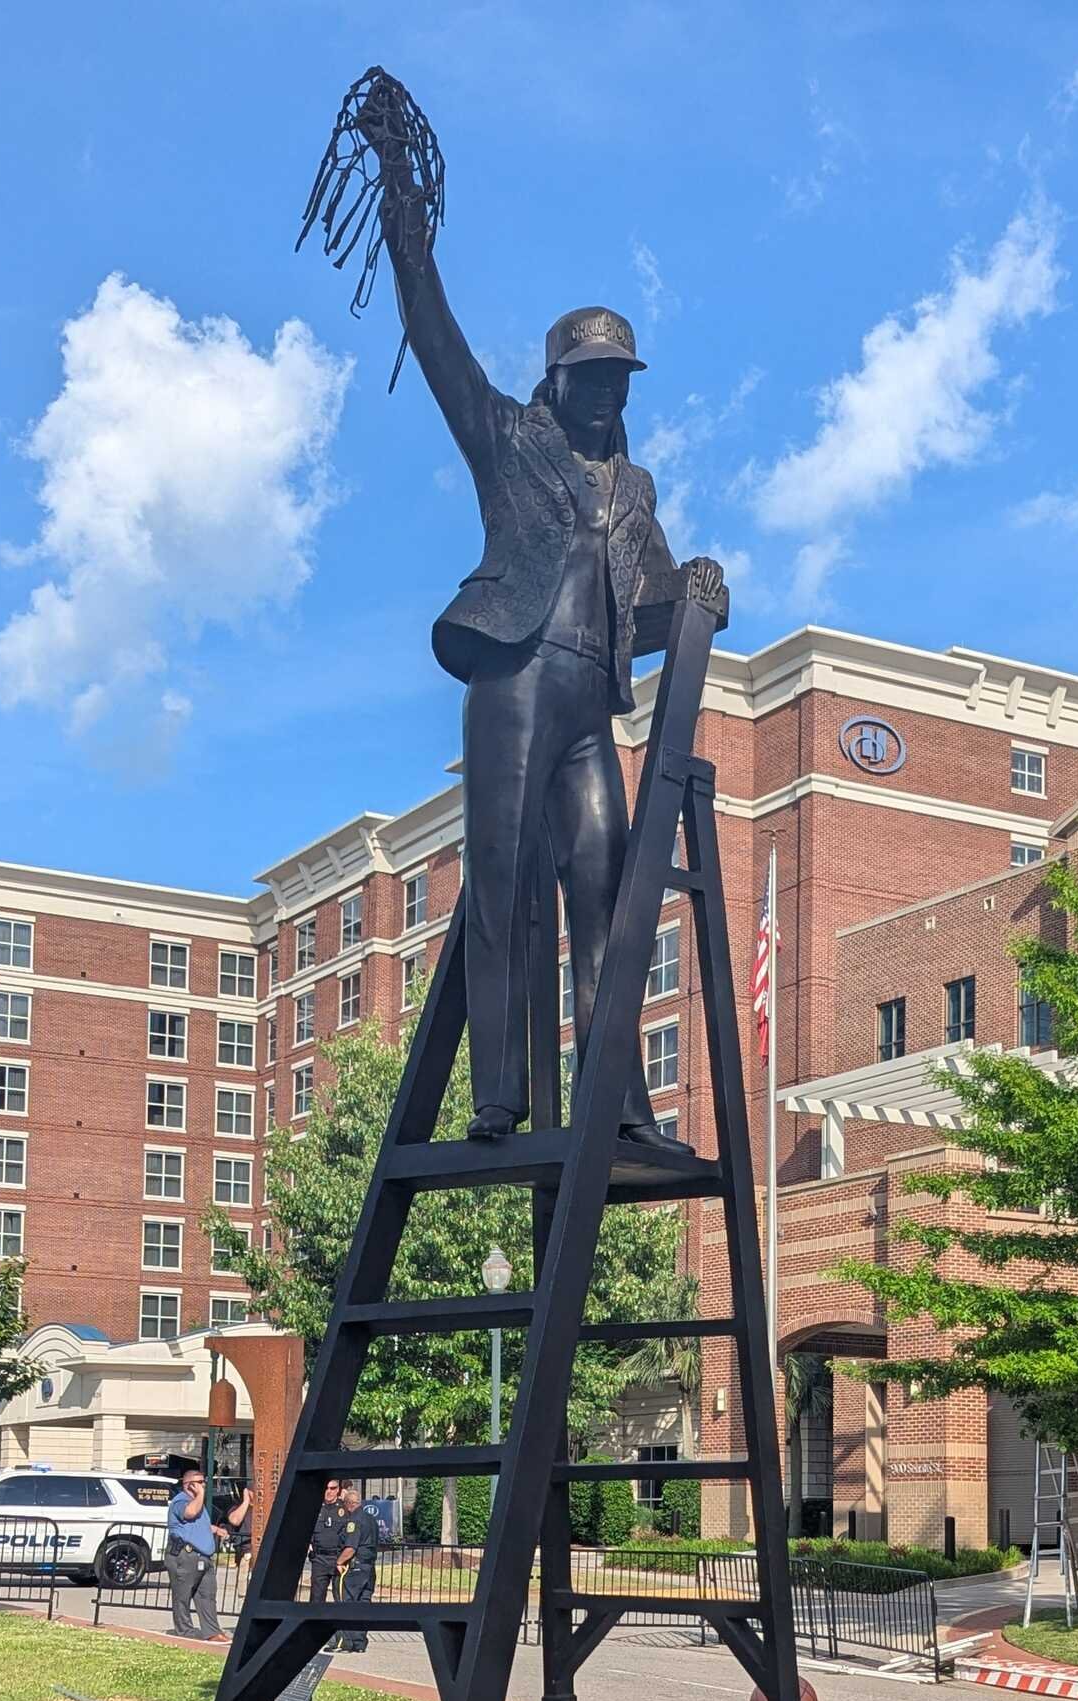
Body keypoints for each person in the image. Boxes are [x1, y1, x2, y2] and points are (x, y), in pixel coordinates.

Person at [356, 76, 725, 1150]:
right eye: (590, 376)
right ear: (555, 380)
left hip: (587, 714)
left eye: (619, 378)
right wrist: (403, 210)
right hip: (515, 681)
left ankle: (622, 1104)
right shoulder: (509, 438)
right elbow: (435, 337)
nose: (607, 392)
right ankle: (498, 1096)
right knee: (504, 883)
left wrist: (699, 587)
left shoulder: (635, 489)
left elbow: (650, 602)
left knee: (608, 895)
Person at [164, 1463, 226, 1641]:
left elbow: (197, 1524)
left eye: (203, 1482)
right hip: (185, 1555)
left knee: (207, 1595)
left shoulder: (199, 1503)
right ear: (189, 1484)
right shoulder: (181, 1501)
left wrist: (215, 1529)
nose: (203, 1485)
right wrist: (200, 1494)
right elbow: (189, 1513)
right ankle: (184, 1631)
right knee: (182, 1595)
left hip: (203, 1557)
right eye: (199, 1482)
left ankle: (212, 1631)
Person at [334, 1484, 381, 1653]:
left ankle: (346, 1642)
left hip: (354, 1568)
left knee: (346, 1604)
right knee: (363, 1606)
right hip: (369, 1568)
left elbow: (350, 1548)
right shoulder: (371, 1519)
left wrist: (339, 1562)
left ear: (349, 1504)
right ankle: (359, 1643)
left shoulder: (354, 1521)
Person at [307, 1478, 347, 1611]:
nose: (329, 1491)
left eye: (333, 1488)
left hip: (338, 1559)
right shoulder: (314, 1507)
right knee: (316, 1600)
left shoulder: (344, 1508)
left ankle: (340, 1624)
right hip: (319, 1559)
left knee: (340, 1598)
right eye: (326, 1488)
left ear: (338, 1490)